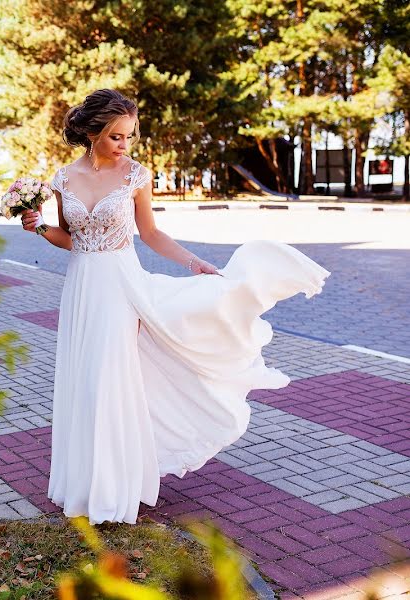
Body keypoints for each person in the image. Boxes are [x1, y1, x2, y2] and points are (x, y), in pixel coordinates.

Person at [20, 89, 330, 525]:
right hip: (81, 287)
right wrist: (38, 228)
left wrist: (193, 262)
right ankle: (84, 484)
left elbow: (150, 234)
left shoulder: (136, 176)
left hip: (120, 286)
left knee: (107, 379)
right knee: (84, 378)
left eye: (129, 135)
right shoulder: (63, 179)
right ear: (92, 133)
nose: (124, 144)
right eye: (115, 136)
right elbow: (71, 238)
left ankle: (115, 490)